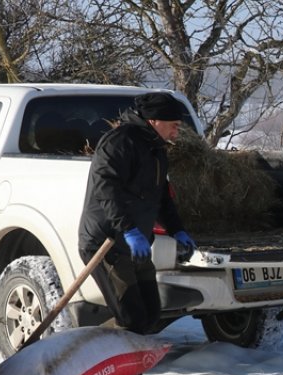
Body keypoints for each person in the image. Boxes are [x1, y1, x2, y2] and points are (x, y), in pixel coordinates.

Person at [78, 91, 196, 335]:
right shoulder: (119, 142)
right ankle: (91, 353)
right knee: (131, 319)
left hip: (135, 245)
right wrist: (128, 229)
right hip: (106, 243)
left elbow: (161, 197)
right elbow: (106, 190)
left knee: (151, 315)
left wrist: (178, 230)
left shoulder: (156, 150)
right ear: (155, 120)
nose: (177, 130)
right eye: (174, 124)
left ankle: (126, 364)